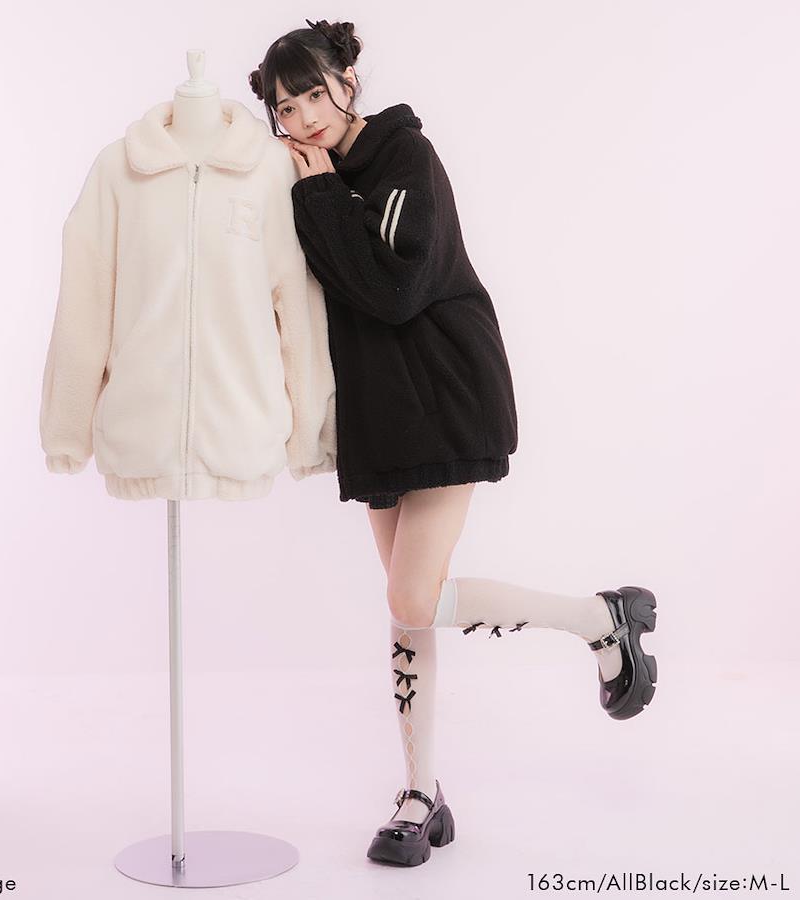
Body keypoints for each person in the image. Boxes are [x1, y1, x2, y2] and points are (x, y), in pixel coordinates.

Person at [248, 18, 658, 868]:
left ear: (348, 81)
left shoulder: (403, 156)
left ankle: (600, 619)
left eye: (313, 94)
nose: (303, 117)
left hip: (443, 389)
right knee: (410, 606)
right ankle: (419, 793)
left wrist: (323, 199)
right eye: (285, 107)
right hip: (375, 408)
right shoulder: (305, 175)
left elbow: (395, 289)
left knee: (411, 596)